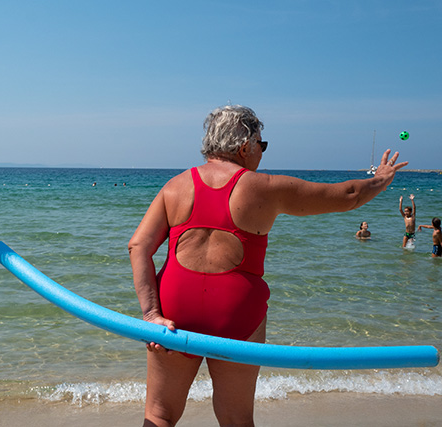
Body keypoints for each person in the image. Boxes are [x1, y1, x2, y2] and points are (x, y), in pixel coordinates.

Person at [127, 104, 406, 427]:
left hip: (173, 314)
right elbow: (347, 196)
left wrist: (151, 315)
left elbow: (138, 246)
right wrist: (381, 180)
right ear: (244, 147)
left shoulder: (174, 187)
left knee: (160, 414)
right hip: (235, 314)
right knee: (236, 419)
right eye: (263, 144)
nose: (263, 152)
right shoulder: (264, 188)